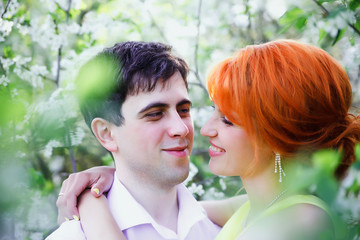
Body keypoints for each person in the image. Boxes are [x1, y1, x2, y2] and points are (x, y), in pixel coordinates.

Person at [56, 40, 360, 239]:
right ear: (106, 134)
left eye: (228, 120)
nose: (199, 129)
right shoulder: (253, 207)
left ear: (277, 133)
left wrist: (90, 204)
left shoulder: (299, 220)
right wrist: (103, 182)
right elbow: (174, 211)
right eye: (155, 114)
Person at [46, 41, 221, 240]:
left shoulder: (225, 230)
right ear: (106, 133)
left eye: (183, 110)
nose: (181, 128)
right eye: (155, 114)